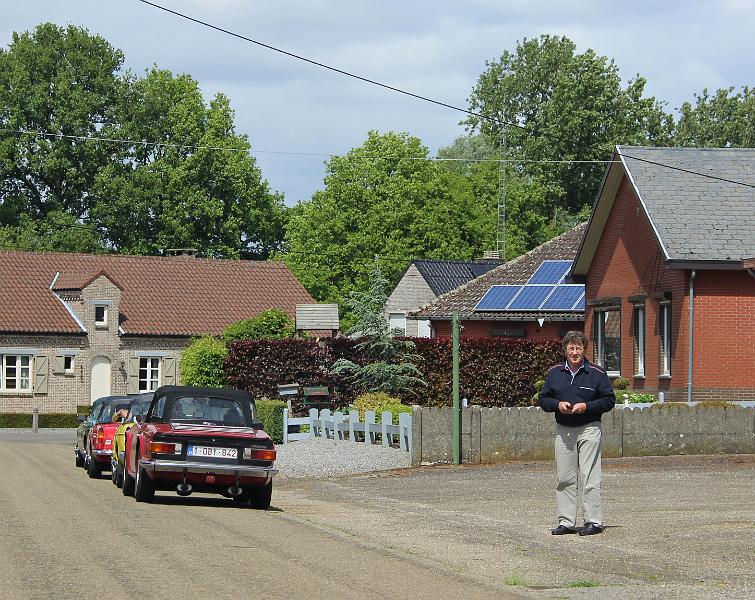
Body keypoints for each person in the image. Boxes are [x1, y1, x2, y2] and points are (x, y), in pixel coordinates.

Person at [538, 331, 615, 536]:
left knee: (590, 475)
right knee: (564, 477)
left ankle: (593, 521)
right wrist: (557, 405)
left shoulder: (597, 373)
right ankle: (566, 522)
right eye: (571, 348)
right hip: (564, 430)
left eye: (578, 348)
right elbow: (543, 400)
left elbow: (609, 400)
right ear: (564, 350)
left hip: (589, 427)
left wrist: (587, 406)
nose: (574, 352)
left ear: (584, 349)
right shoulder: (554, 373)